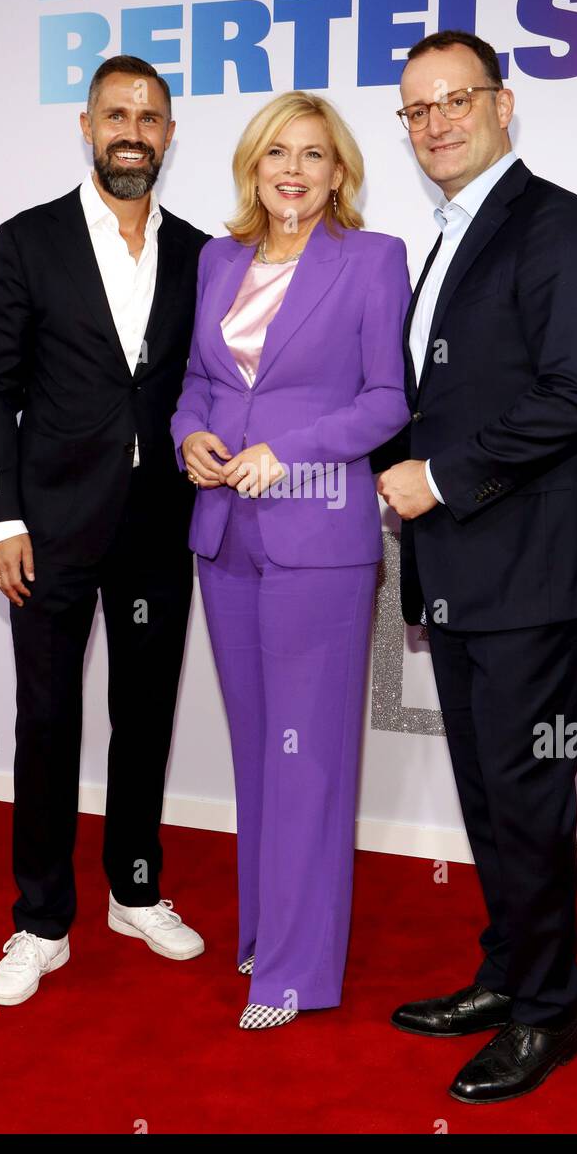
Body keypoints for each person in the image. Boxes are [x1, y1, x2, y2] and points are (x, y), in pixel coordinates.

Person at [375, 29, 577, 1102]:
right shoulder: (444, 236)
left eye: (454, 100)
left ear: (502, 103)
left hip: (537, 566)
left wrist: (433, 479)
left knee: (525, 796)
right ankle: (505, 974)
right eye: (415, 109)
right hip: (464, 566)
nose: (435, 122)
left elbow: (573, 396)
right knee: (490, 791)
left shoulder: (557, 224)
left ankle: (545, 1016)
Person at [0, 55, 210, 1006]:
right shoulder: (28, 241)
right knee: (47, 721)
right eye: (117, 114)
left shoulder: (199, 251)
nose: (133, 132)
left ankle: (135, 889)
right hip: (52, 530)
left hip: (159, 528)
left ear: (169, 134)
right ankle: (39, 920)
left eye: (150, 118)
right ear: (85, 124)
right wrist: (2, 517)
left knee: (144, 717)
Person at [171, 91, 411, 1029]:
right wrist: (191, 434)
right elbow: (196, 382)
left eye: (315, 154)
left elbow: (388, 400)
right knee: (256, 748)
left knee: (306, 756)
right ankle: (266, 931)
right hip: (224, 532)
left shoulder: (372, 258)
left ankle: (299, 974)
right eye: (279, 152)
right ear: (252, 165)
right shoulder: (218, 259)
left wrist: (295, 450)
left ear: (340, 170)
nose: (295, 170)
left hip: (318, 540)